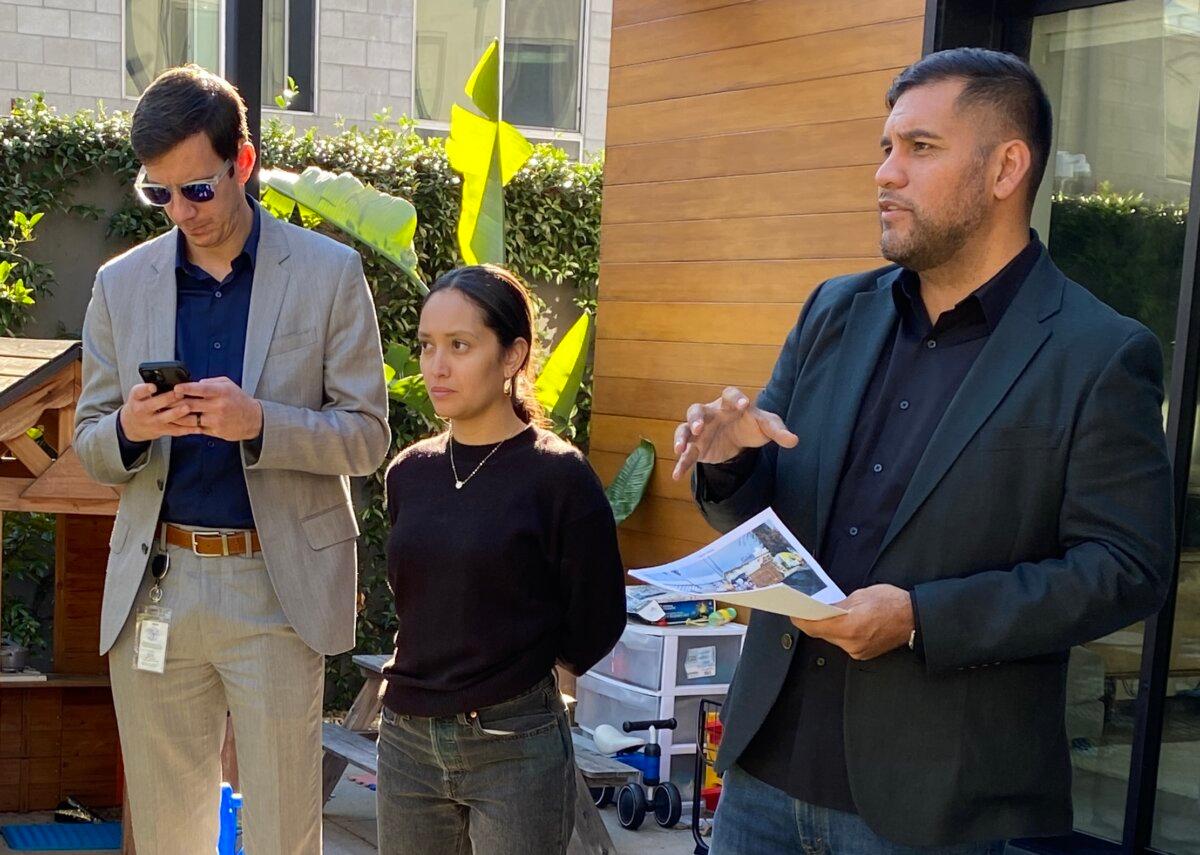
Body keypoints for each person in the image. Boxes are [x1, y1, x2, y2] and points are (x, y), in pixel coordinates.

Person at [672, 48, 1174, 853]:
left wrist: (922, 619)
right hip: (761, 780)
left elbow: (1126, 569)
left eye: (920, 147)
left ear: (1006, 167)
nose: (886, 172)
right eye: (886, 147)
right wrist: (730, 463)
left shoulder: (1099, 353)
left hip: (937, 809)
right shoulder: (834, 310)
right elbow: (768, 517)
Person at [74, 65, 390, 853]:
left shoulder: (329, 273)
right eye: (159, 193)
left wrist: (260, 422)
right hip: (157, 586)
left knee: (282, 832)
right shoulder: (120, 284)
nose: (181, 211)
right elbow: (90, 441)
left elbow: (366, 435)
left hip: (276, 587)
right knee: (167, 835)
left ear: (242, 161)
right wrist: (131, 427)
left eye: (198, 189)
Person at [377, 264, 626, 855]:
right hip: (408, 740)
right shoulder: (409, 472)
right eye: (428, 345)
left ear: (512, 355)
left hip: (514, 741)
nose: (436, 366)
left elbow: (596, 618)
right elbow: (416, 597)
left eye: (460, 346)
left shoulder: (559, 477)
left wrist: (521, 667)